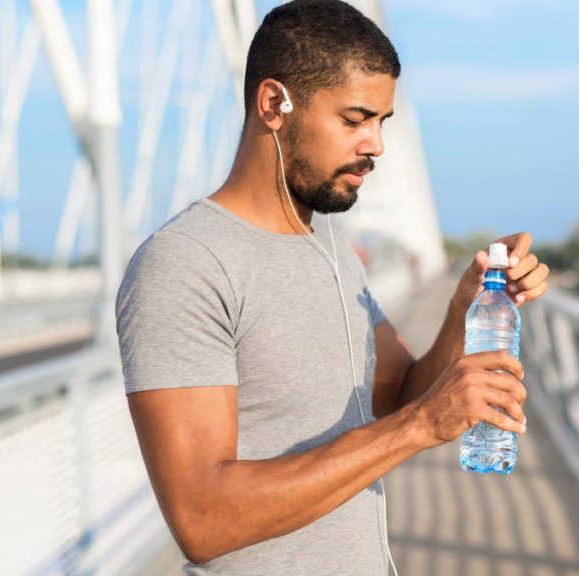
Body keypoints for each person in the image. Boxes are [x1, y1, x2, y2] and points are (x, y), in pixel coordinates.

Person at [115, 1, 550, 574]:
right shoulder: (185, 265)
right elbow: (202, 520)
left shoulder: (327, 243)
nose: (376, 146)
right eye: (354, 120)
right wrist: (418, 429)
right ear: (274, 104)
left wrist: (463, 309)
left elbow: (398, 396)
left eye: (382, 123)